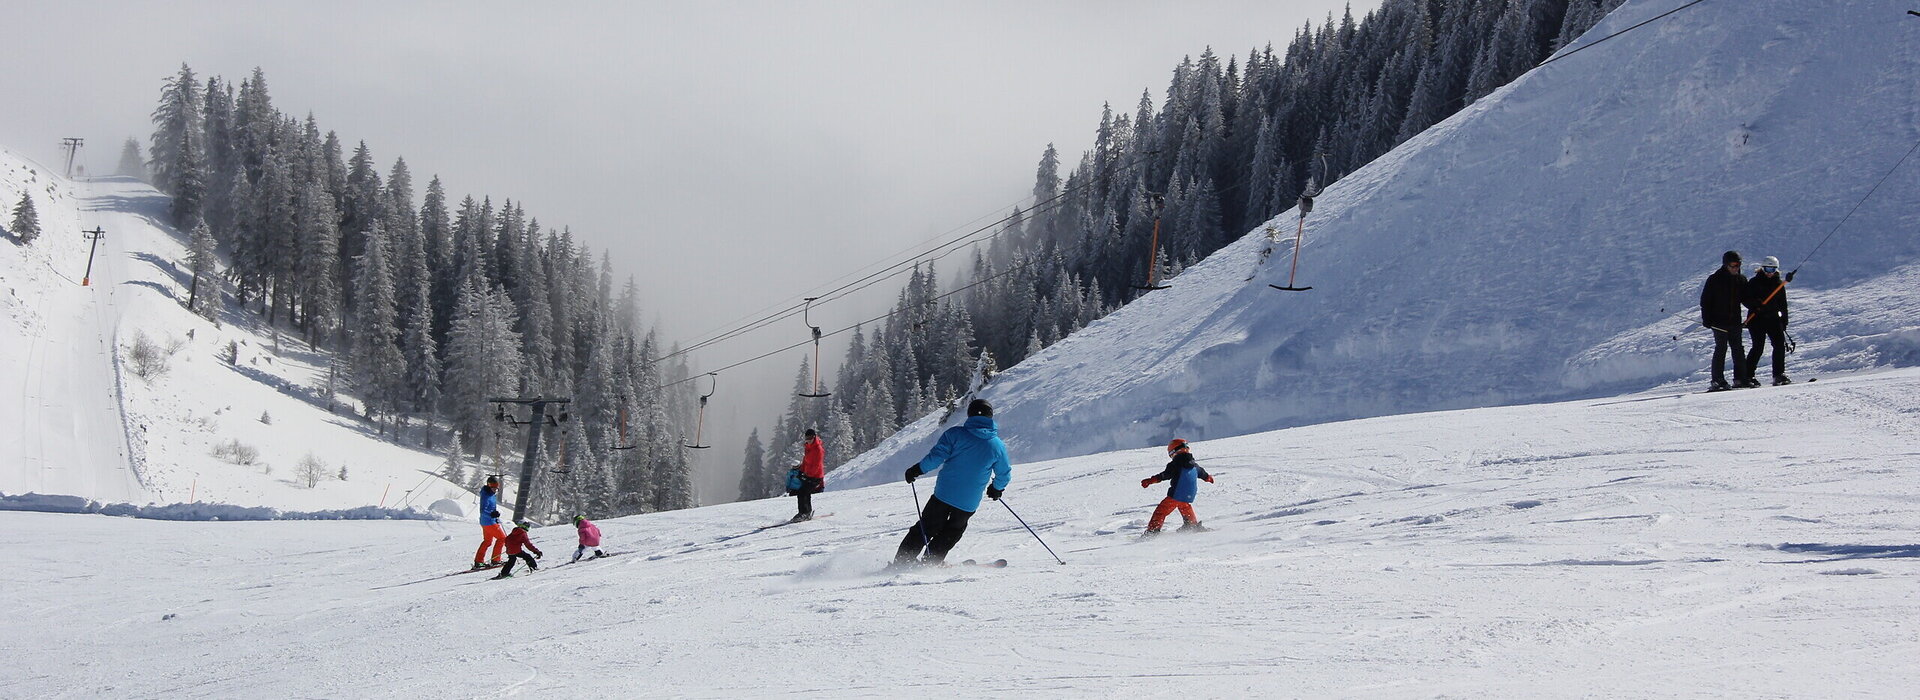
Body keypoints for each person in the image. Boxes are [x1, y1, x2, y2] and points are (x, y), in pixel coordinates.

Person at [894, 399, 1012, 566]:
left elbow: (935, 458)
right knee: (952, 532)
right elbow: (1004, 473)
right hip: (968, 502)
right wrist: (996, 488)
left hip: (944, 494)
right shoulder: (997, 446)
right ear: (990, 417)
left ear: (970, 414)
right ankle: (930, 563)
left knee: (925, 528)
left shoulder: (955, 434)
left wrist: (917, 470)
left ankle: (901, 562)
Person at [1699, 250, 1754, 391]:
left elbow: (1746, 299)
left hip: (1734, 320)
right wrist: (1707, 319)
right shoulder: (1714, 279)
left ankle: (1740, 379)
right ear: (1725, 265)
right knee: (1721, 348)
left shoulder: (1741, 280)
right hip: (1719, 322)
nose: (1736, 268)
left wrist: (1756, 306)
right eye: (1733, 265)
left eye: (1738, 265)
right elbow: (1705, 301)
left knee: (1738, 349)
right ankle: (1717, 380)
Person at [1140, 438, 1215, 535]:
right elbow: (1203, 473)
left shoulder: (1175, 464)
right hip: (1189, 494)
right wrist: (1208, 478)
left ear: (1173, 452)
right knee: (1184, 506)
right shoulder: (1194, 465)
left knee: (1161, 511)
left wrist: (1151, 480)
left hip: (1176, 495)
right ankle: (1192, 525)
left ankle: (1152, 531)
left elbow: (1165, 475)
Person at [1743, 256, 1793, 386]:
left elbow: (1783, 304)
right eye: (1767, 269)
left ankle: (1779, 374)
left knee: (1779, 346)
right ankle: (1748, 376)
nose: (1770, 272)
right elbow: (1746, 299)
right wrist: (1756, 304)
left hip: (1773, 320)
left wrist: (1784, 321)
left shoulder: (1779, 284)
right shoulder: (1754, 282)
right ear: (1762, 268)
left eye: (1773, 269)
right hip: (1757, 320)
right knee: (1758, 347)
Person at [791, 428, 826, 522]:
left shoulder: (818, 449)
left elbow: (816, 465)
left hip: (816, 476)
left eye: (810, 438)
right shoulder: (808, 447)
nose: (808, 440)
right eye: (806, 438)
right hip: (809, 475)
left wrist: (808, 476)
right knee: (803, 492)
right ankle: (804, 513)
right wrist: (801, 471)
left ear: (814, 437)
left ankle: (804, 513)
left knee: (803, 492)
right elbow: (805, 461)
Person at [473, 476, 506, 569]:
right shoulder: (486, 496)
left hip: (487, 521)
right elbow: (483, 510)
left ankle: (478, 562)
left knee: (487, 541)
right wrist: (492, 514)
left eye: (496, 488)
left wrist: (495, 516)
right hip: (488, 522)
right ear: (488, 486)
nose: (495, 490)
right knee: (502, 538)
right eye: (493, 488)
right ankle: (496, 560)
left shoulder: (491, 494)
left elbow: (491, 508)